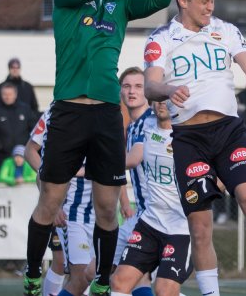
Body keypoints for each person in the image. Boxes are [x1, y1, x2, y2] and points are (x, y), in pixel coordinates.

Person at [24, 0, 175, 296]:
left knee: (107, 209)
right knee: (50, 200)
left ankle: (105, 280)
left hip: (107, 114)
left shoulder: (119, 3)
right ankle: (31, 273)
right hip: (70, 111)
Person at [143, 0, 246, 296]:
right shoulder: (161, 38)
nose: (210, 7)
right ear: (183, 1)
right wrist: (167, 89)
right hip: (190, 139)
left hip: (229, 131)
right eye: (204, 1)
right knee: (200, 227)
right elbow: (150, 84)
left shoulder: (227, 31)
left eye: (213, 0)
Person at [111, 101, 193, 296]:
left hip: (180, 228)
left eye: (166, 98)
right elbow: (133, 157)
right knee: (119, 281)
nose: (161, 103)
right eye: (157, 98)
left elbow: (216, 175)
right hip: (150, 222)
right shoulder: (146, 125)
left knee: (164, 291)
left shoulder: (189, 134)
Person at [27, 109, 99, 296]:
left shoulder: (107, 112)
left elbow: (116, 169)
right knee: (66, 265)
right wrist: (53, 203)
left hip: (97, 215)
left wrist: (123, 202)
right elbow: (30, 151)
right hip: (69, 211)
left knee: (87, 274)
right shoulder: (55, 111)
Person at [113, 67, 153, 293]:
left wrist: (84, 169)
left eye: (138, 86)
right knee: (131, 277)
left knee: (123, 277)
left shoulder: (150, 120)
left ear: (148, 91)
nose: (131, 91)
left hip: (158, 216)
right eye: (126, 86)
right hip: (142, 214)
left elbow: (134, 159)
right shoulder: (133, 125)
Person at [0, 83, 36, 169]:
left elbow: (34, 128)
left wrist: (28, 146)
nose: (7, 97)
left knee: (25, 180)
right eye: (5, 94)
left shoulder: (25, 109)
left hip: (24, 154)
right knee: (4, 179)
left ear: (15, 95)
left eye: (10, 94)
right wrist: (0, 146)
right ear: (1, 95)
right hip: (3, 155)